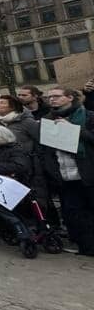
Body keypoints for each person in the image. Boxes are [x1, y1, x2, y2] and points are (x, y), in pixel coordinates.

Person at [35, 87, 94, 256]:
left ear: (70, 97)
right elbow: (45, 149)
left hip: (88, 173)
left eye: (56, 96)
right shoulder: (47, 119)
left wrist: (73, 129)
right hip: (64, 176)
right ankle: (86, 247)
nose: (51, 99)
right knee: (74, 213)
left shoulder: (89, 116)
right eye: (49, 96)